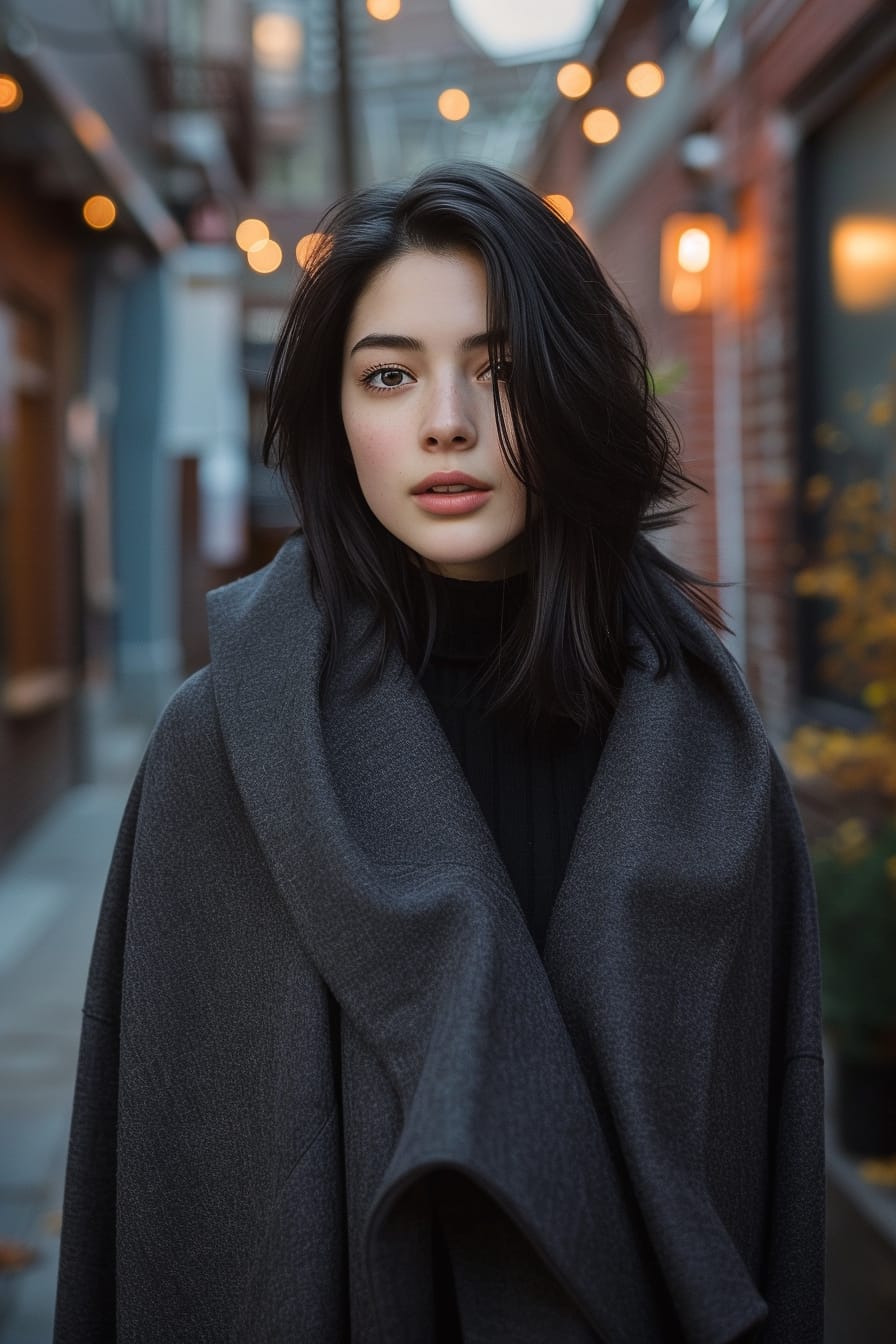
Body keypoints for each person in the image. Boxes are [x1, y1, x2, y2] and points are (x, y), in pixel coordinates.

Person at [53, 162, 824, 1343]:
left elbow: (766, 1195)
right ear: (335, 415)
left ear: (570, 391)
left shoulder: (715, 774)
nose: (445, 419)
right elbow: (162, 1200)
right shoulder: (225, 748)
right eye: (389, 374)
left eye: (499, 367)